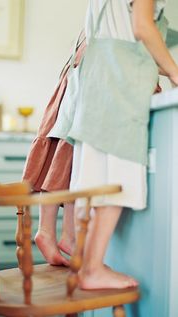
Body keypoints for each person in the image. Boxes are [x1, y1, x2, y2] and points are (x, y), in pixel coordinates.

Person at [49, 0, 178, 289]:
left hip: (96, 90)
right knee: (117, 182)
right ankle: (93, 269)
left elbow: (125, 43)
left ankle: (85, 262)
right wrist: (175, 72)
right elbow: (143, 26)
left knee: (92, 181)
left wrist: (165, 67)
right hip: (119, 92)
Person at [22, 34, 86, 266]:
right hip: (80, 84)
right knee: (63, 158)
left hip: (73, 80)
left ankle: (62, 234)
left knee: (66, 162)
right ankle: (48, 232)